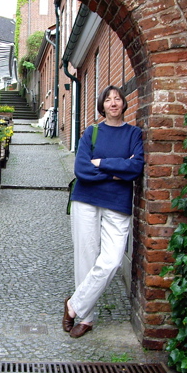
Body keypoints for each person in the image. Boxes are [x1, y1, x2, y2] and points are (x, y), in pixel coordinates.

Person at [63, 85, 144, 338]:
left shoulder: (134, 134)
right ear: (102, 105)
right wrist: (118, 170)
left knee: (111, 261)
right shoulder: (91, 133)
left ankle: (73, 305)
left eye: (117, 99)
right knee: (86, 257)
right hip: (85, 200)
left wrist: (103, 164)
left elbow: (136, 167)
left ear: (123, 104)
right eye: (108, 100)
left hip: (117, 204)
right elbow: (82, 170)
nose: (113, 103)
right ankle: (86, 319)